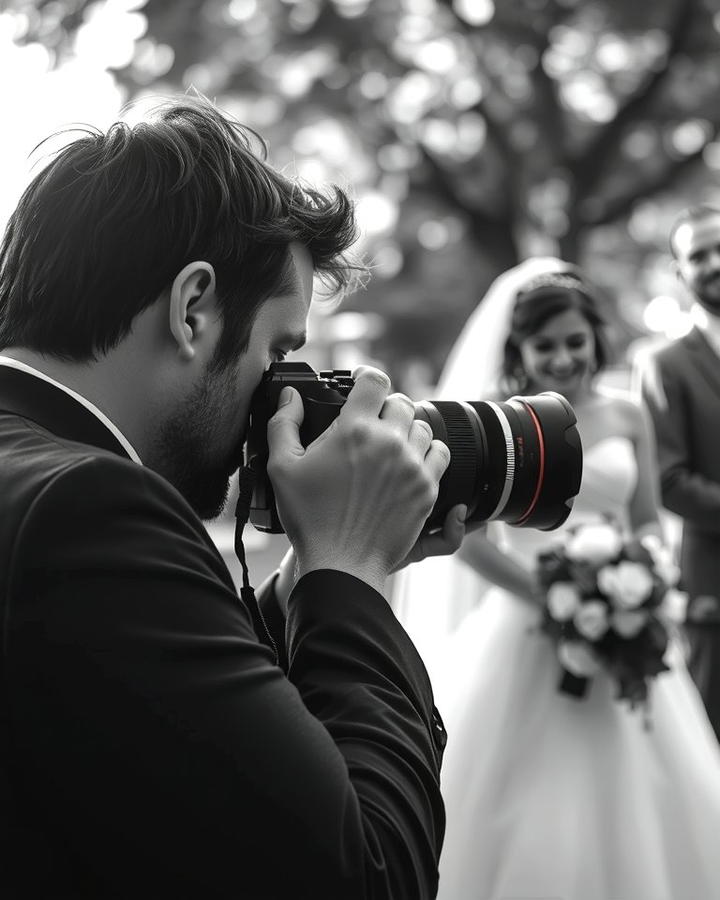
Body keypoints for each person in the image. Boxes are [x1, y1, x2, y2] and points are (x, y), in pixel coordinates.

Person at [0, 97, 469, 899]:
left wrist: (301, 591)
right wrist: (351, 578)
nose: (283, 395)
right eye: (280, 351)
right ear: (193, 310)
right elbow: (364, 877)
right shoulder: (89, 509)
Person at [395, 258, 720, 900]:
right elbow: (470, 540)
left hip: (630, 618)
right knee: (530, 795)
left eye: (576, 342)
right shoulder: (499, 424)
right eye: (546, 346)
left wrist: (643, 575)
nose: (564, 358)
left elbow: (649, 519)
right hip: (528, 623)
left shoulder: (629, 415)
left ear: (596, 339)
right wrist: (552, 595)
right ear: (520, 349)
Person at [638, 203, 720, 741]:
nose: (714, 262)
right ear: (680, 272)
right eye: (699, 255)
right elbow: (668, 481)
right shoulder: (665, 365)